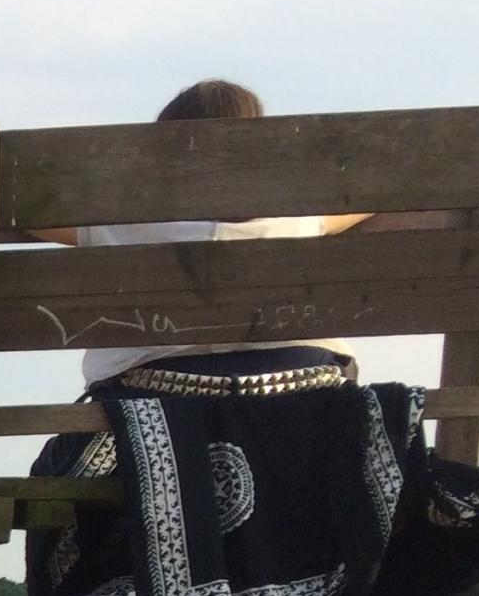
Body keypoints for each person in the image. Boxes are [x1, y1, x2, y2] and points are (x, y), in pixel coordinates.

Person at [26, 79, 367, 388]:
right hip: (297, 381)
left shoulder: (120, 221)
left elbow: (28, 214)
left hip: (152, 387)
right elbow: (362, 202)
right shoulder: (297, 215)